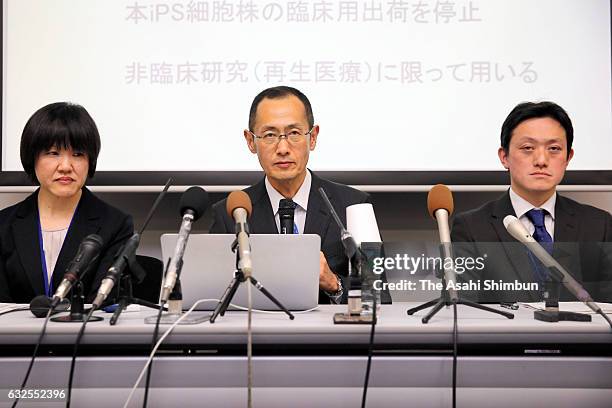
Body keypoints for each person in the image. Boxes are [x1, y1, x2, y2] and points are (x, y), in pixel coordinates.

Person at [210, 86, 390, 304]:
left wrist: (334, 284)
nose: (283, 148)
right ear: (250, 141)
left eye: (294, 133)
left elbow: (379, 297)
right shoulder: (229, 213)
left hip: (330, 336)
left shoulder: (355, 206)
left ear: (312, 138)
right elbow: (212, 298)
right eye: (269, 135)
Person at [451, 101, 612, 303]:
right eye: (528, 148)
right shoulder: (471, 227)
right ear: (504, 157)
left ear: (568, 157)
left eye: (554, 148)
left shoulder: (599, 224)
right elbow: (462, 308)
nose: (541, 160)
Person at [0, 102, 134, 304]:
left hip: (84, 335)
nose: (65, 166)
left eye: (78, 154)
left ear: (90, 160)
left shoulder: (115, 224)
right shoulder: (4, 224)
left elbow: (101, 303)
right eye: (53, 153)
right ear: (32, 158)